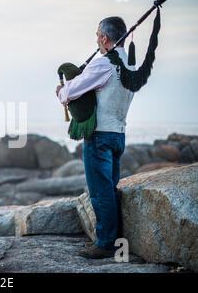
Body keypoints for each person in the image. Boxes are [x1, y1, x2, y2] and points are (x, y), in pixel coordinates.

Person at [56, 16, 136, 259]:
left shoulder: (103, 64)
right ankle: (114, 240)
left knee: (100, 192)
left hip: (99, 137)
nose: (96, 40)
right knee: (109, 190)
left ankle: (105, 243)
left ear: (104, 38)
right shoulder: (130, 65)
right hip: (118, 135)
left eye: (97, 35)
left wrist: (62, 92)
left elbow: (71, 91)